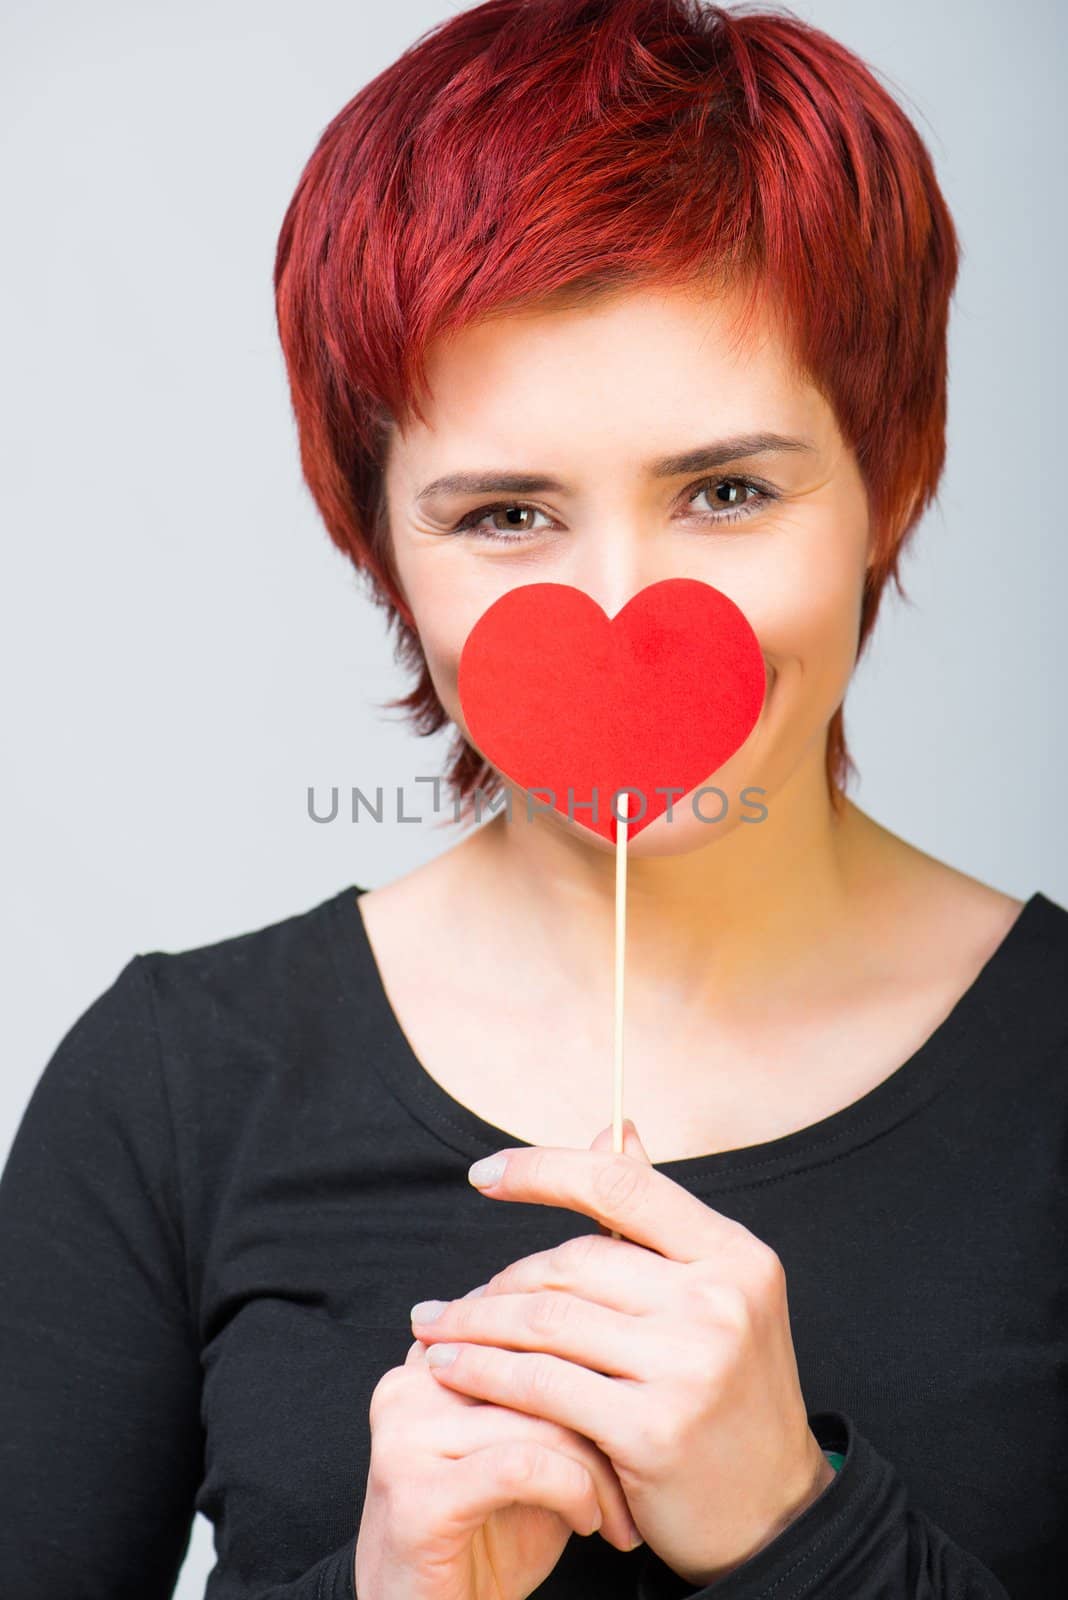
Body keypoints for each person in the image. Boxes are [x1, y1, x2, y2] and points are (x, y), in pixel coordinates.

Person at [1, 2, 1065, 1597]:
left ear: (890, 480)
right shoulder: (174, 1089)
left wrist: (797, 1528)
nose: (625, 606)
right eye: (505, 513)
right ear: (380, 548)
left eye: (728, 490)